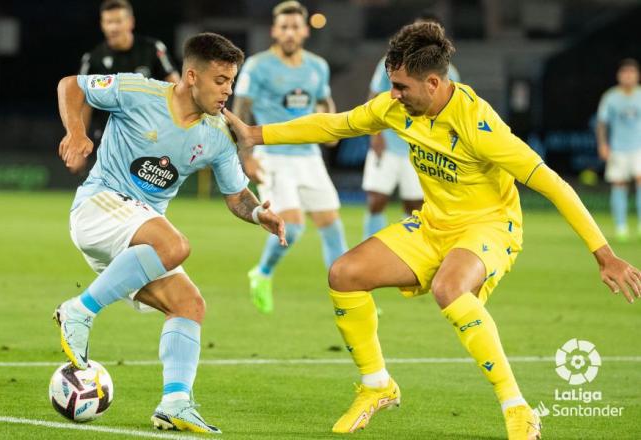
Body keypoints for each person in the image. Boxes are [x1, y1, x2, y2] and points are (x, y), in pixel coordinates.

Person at [224, 22, 641, 439]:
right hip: (433, 223)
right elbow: (335, 125)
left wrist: (603, 254)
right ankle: (377, 386)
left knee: (450, 288)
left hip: (490, 226)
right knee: (344, 273)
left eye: (402, 87)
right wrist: (256, 134)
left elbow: (554, 184)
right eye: (393, 85)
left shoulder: (480, 125)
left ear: (434, 82)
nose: (394, 95)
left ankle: (518, 407)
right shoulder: (397, 106)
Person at [55, 32, 286, 434]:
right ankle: (78, 312)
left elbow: (236, 196)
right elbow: (71, 85)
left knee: (189, 304)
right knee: (175, 244)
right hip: (99, 207)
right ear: (192, 76)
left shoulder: (216, 133)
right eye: (220, 80)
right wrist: (76, 132)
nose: (228, 91)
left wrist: (258, 215)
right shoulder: (138, 91)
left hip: (133, 242)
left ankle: (175, 403)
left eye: (232, 81)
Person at [232, 1, 347, 314]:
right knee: (293, 227)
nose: (289, 32)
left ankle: (348, 296)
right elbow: (241, 110)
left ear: (305, 31)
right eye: (283, 27)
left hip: (309, 155)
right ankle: (262, 273)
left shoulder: (317, 66)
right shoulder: (257, 66)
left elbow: (324, 101)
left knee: (332, 226)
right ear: (274, 30)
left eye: (295, 27)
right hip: (273, 155)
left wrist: (332, 124)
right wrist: (247, 157)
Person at [363, 18, 460, 239]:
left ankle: (407, 252)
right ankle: (370, 249)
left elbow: (451, 112)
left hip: (420, 148)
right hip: (388, 144)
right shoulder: (390, 63)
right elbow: (374, 97)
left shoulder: (449, 72)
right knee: (376, 199)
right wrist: (375, 135)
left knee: (414, 205)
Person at [80, 0, 180, 145]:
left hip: (150, 138)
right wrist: (78, 139)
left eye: (118, 21)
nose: (113, 27)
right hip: (109, 141)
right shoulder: (93, 59)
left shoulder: (152, 49)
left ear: (130, 22)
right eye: (108, 22)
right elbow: (84, 103)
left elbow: (176, 88)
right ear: (102, 24)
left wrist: (179, 129)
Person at [596, 58, 641, 242]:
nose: (628, 76)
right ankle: (621, 226)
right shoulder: (611, 96)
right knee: (618, 184)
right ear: (619, 76)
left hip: (639, 147)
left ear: (637, 76)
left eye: (632, 73)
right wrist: (602, 144)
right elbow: (601, 123)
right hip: (618, 148)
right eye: (625, 73)